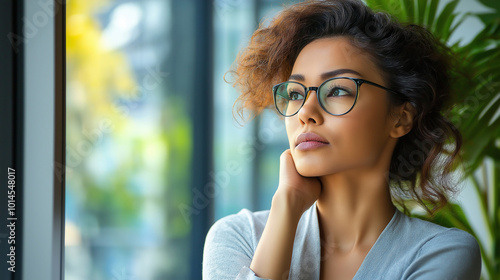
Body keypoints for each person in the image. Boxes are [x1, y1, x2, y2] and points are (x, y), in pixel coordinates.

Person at [203, 0, 482, 279]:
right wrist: (286, 208)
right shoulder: (239, 237)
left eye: (337, 90)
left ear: (401, 117)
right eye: (296, 94)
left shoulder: (440, 252)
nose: (306, 113)